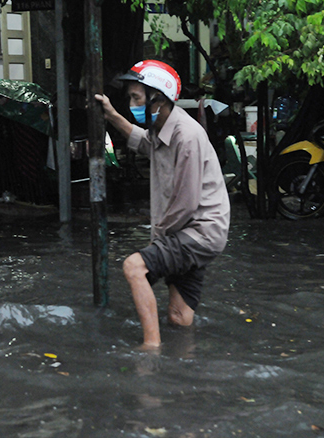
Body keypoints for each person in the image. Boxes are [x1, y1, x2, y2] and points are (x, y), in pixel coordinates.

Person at [94, 60, 231, 349]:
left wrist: (157, 241)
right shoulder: (161, 127)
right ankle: (183, 367)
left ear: (158, 98)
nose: (132, 103)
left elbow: (185, 204)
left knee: (134, 267)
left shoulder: (187, 136)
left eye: (136, 98)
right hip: (192, 232)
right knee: (179, 318)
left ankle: (151, 349)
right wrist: (112, 115)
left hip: (197, 232)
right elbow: (143, 142)